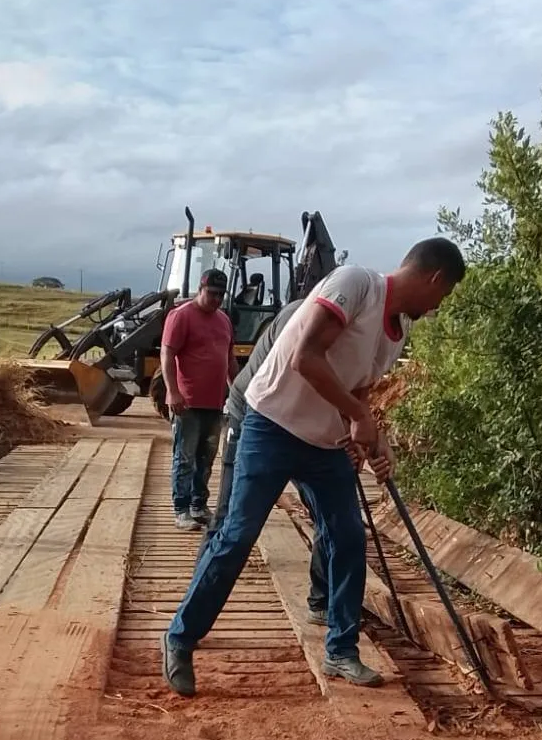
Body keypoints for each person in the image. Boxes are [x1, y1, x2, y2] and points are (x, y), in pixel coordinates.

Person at [162, 237, 467, 696]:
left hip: (323, 444)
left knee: (347, 537)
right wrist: (359, 416)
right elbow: (305, 357)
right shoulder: (356, 284)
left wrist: (372, 440)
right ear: (434, 278)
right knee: (237, 536)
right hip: (271, 424)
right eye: (443, 294)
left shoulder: (396, 333)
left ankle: (341, 650)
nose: (438, 306)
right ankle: (180, 637)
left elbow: (359, 391)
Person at [195, 296, 334, 626]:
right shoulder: (300, 317)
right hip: (252, 414)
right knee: (231, 517)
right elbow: (290, 381)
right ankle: (198, 601)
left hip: (300, 423)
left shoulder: (352, 327)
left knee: (330, 516)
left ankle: (322, 602)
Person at [161, 268, 239, 531]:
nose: (216, 299)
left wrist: (237, 392)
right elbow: (167, 355)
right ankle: (181, 509)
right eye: (212, 293)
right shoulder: (181, 316)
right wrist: (172, 391)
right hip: (188, 402)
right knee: (185, 457)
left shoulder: (224, 320)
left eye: (221, 295)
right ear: (200, 289)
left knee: (206, 457)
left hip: (214, 402)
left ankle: (198, 505)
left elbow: (229, 359)